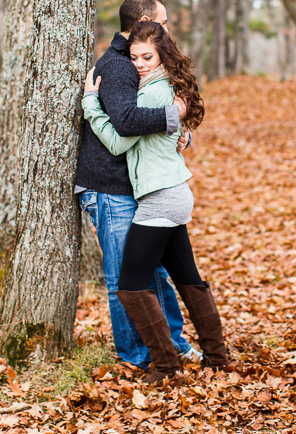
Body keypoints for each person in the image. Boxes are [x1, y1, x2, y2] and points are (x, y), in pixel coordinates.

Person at [82, 20, 230, 383]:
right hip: (174, 193)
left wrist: (90, 104)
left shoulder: (151, 95)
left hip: (160, 199)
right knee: (187, 277)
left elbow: (118, 142)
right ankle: (217, 357)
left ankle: (165, 366)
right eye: (134, 58)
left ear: (163, 55)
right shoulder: (165, 88)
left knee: (131, 285)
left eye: (147, 56)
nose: (140, 64)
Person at [75, 0, 199, 370]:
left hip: (135, 187)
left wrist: (181, 130)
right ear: (145, 21)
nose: (167, 28)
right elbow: (127, 122)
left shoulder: (139, 63)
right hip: (108, 187)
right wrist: (170, 116)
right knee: (122, 281)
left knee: (154, 272)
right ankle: (137, 355)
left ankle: (171, 343)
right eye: (163, 20)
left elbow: (146, 122)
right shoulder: (118, 66)